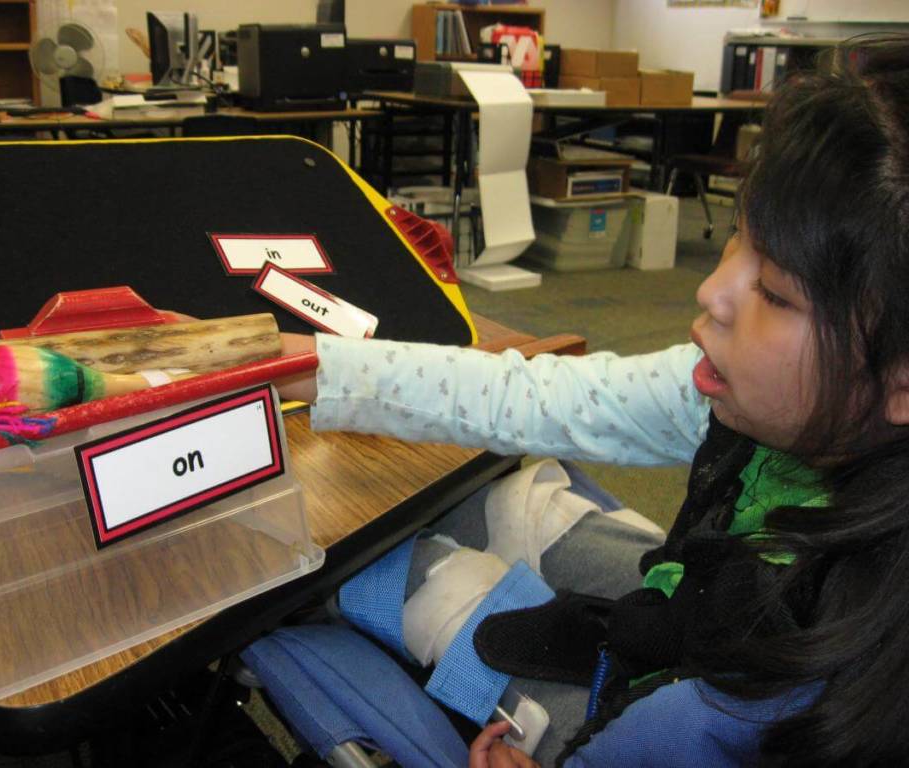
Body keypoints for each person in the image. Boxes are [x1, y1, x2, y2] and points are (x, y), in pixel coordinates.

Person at [275, 35, 909, 766]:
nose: (711, 291)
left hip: (661, 722)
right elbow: (535, 397)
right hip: (694, 619)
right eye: (738, 239)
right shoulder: (785, 396)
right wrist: (323, 366)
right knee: (509, 501)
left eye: (774, 292)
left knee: (393, 571)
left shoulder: (807, 675)